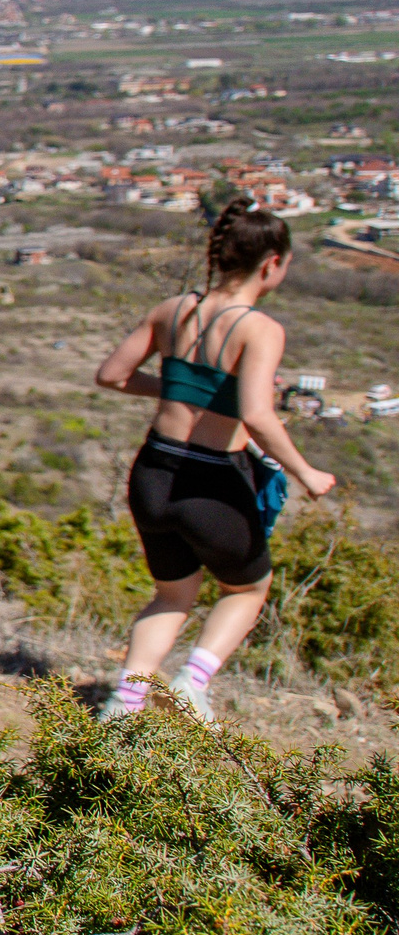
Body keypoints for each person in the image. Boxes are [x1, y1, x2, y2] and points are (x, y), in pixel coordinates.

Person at [91, 198, 335, 721]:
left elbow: (111, 375)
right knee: (247, 588)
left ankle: (124, 703)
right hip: (212, 480)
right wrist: (307, 472)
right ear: (272, 264)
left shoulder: (172, 310)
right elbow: (258, 415)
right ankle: (191, 684)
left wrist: (181, 390)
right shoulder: (259, 328)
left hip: (153, 473)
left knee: (172, 594)